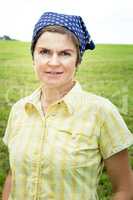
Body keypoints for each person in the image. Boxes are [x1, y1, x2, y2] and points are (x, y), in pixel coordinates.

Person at [2, 11, 133, 200]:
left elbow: (125, 188)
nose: (53, 62)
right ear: (33, 57)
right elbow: (13, 175)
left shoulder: (102, 112)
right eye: (44, 51)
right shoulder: (19, 110)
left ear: (77, 60)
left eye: (65, 53)